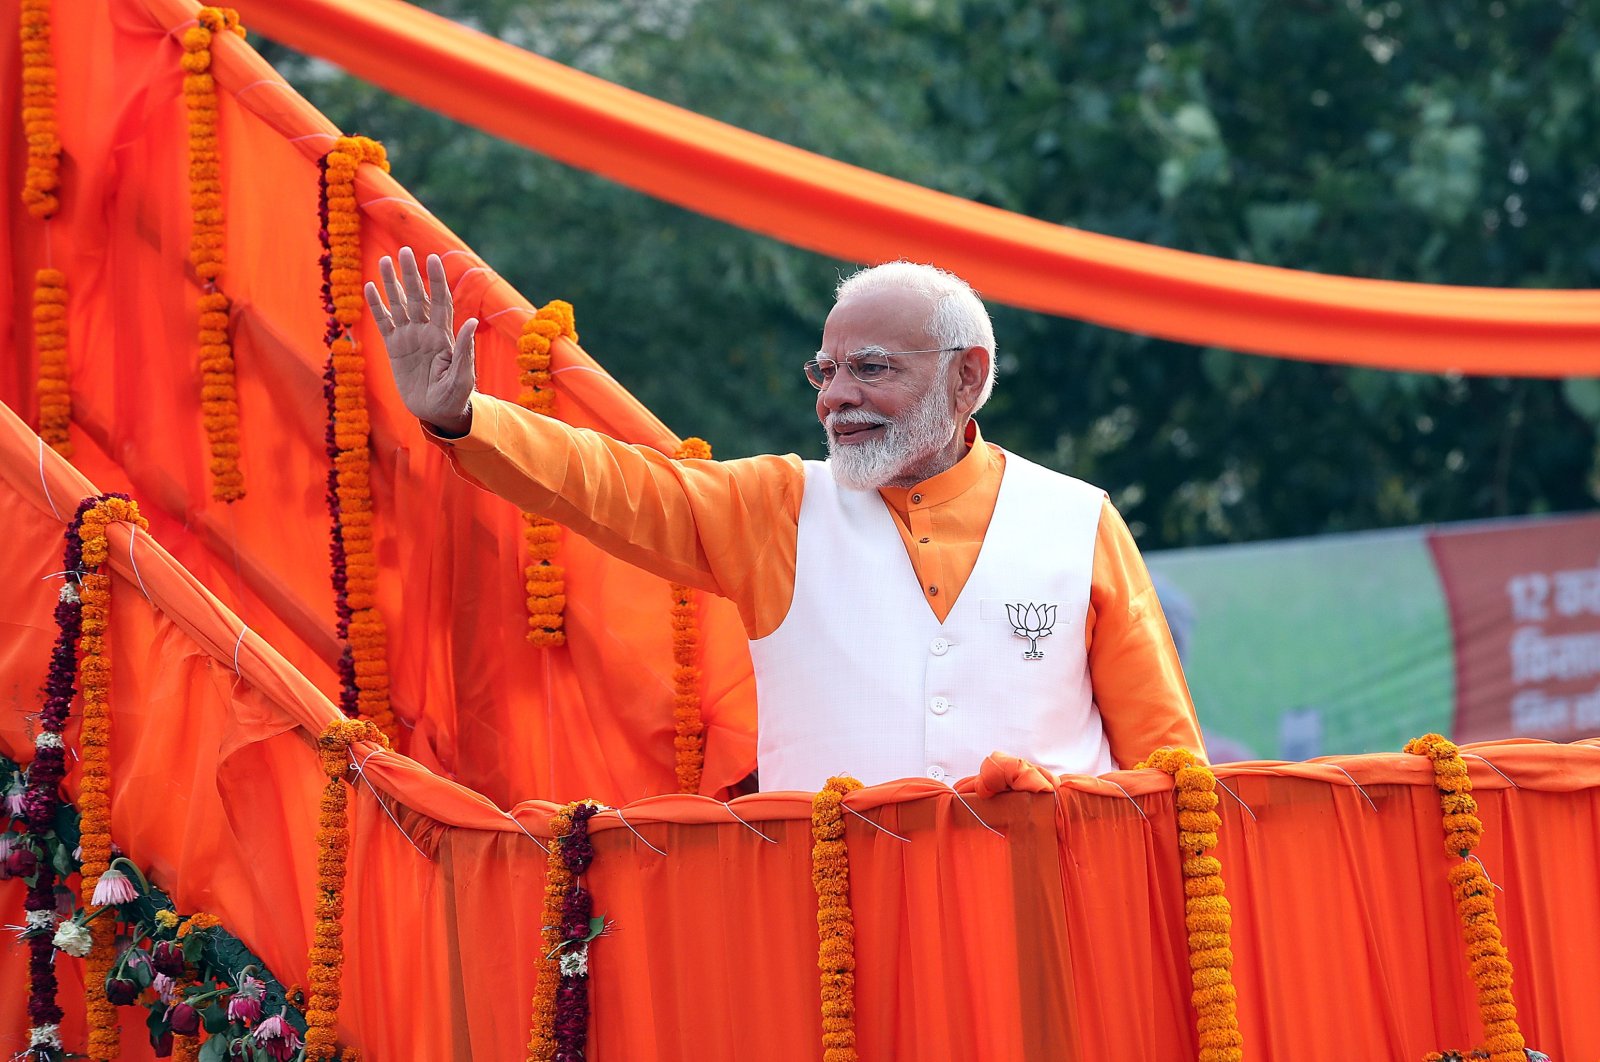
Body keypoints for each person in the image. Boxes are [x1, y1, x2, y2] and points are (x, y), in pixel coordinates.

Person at [366, 247, 1204, 791]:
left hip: (1045, 930)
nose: (837, 397)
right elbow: (608, 482)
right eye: (826, 372)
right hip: (839, 936)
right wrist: (464, 416)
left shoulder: (1076, 520)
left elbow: (1167, 759)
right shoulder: (776, 506)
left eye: (871, 369)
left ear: (967, 377)